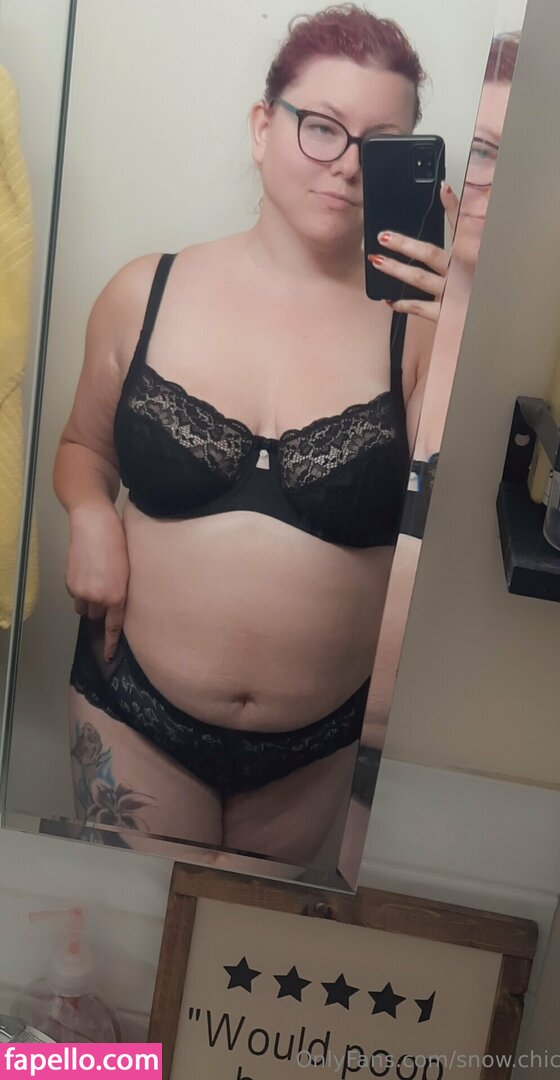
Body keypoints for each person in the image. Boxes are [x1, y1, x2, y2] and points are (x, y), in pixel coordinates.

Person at [53, 3, 457, 864]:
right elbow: (84, 449)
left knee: (252, 952)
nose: (347, 165)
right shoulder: (145, 293)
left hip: (317, 750)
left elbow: (448, 526)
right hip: (134, 713)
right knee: (131, 945)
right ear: (262, 127)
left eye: (380, 145)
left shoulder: (421, 335)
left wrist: (467, 330)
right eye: (322, 127)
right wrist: (88, 514)